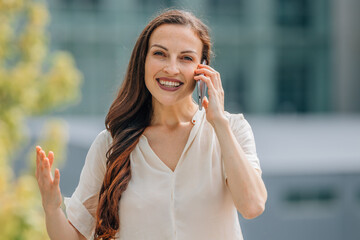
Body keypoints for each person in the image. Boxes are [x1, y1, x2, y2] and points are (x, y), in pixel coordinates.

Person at [35, 9, 267, 240]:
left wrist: (219, 123)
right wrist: (52, 209)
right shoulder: (111, 144)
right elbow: (76, 236)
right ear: (143, 61)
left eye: (186, 58)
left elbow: (252, 205)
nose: (171, 68)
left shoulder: (232, 129)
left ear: (203, 68)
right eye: (160, 54)